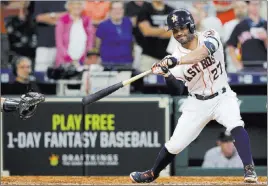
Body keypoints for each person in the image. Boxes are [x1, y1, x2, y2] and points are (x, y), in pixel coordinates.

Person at [130, 9, 257, 183]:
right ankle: (153, 173)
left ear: (191, 25)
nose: (179, 33)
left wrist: (176, 61)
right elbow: (177, 91)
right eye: (175, 30)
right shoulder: (174, 56)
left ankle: (249, 169)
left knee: (235, 124)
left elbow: (204, 52)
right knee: (175, 144)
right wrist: (167, 73)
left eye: (182, 27)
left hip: (223, 96)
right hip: (197, 103)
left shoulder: (209, 35)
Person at [227, 1, 267, 71]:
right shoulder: (241, 25)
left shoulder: (265, 24)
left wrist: (266, 39)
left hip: (263, 65)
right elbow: (231, 46)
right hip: (246, 66)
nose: (255, 7)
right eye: (253, 4)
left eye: (257, 4)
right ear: (248, 6)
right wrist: (238, 65)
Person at [136, 0, 174, 72]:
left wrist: (154, 31)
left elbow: (173, 33)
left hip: (168, 57)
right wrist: (166, 28)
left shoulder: (171, 10)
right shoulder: (144, 10)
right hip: (149, 56)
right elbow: (146, 31)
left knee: (169, 82)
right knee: (148, 82)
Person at [55, 0, 94, 67]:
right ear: (69, 6)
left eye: (79, 4)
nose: (76, 6)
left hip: (83, 61)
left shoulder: (87, 20)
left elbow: (90, 42)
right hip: (65, 60)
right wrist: (69, 59)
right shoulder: (63, 20)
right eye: (73, 4)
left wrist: (83, 58)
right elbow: (59, 44)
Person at [96, 1, 133, 68]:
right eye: (114, 9)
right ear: (110, 11)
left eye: (120, 9)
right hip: (108, 63)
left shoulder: (128, 22)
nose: (118, 11)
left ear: (123, 10)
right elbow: (98, 44)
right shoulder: (103, 25)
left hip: (127, 62)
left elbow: (131, 42)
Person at [33, 1, 65, 71]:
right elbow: (39, 18)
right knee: (41, 72)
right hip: (45, 44)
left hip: (64, 45)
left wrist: (49, 16)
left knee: (62, 75)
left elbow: (71, 15)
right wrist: (59, 19)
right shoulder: (40, 2)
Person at [223, 1, 247, 72]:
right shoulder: (227, 25)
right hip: (232, 66)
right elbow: (228, 46)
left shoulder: (252, 25)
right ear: (234, 10)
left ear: (247, 8)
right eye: (237, 7)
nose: (240, 9)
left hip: (250, 65)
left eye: (243, 7)